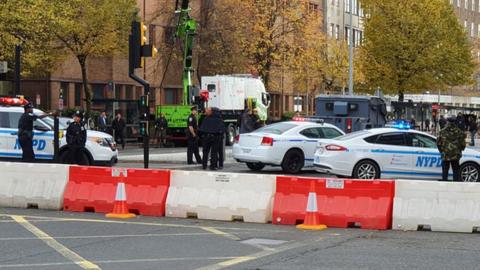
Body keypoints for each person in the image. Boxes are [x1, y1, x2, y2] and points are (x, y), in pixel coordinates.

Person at [437, 116, 466, 182]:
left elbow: (438, 143)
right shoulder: (459, 132)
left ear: (447, 122)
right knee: (456, 171)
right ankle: (455, 184)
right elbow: (463, 144)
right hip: (455, 155)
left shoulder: (442, 131)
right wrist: (459, 150)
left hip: (445, 154)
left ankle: (445, 184)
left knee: (445, 171)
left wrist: (441, 151)